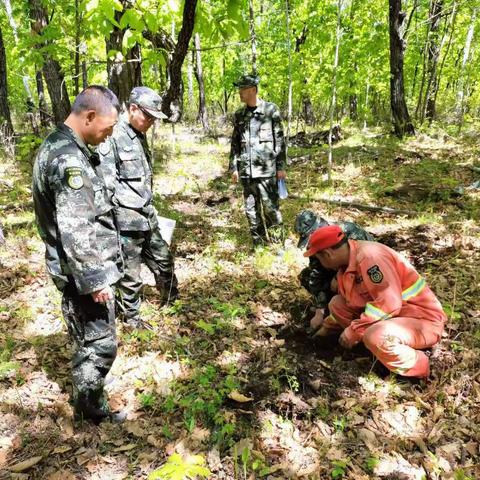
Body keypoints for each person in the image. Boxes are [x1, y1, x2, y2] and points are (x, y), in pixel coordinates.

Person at [32, 86, 122, 423]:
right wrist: (95, 280)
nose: (109, 134)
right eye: (108, 127)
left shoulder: (58, 144)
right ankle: (90, 411)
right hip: (81, 274)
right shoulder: (69, 159)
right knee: (99, 342)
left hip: (71, 269)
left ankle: (91, 392)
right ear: (89, 117)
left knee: (86, 336)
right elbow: (76, 226)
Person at [303, 225, 446, 378]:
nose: (320, 264)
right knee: (337, 304)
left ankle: (420, 367)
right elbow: (355, 302)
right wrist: (326, 327)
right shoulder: (347, 265)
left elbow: (389, 303)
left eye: (319, 258)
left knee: (376, 336)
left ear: (327, 254)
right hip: (396, 317)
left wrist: (354, 331)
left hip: (422, 320)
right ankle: (375, 351)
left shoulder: (370, 258)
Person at [98, 86, 178, 329]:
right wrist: (111, 226)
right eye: (148, 116)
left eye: (155, 118)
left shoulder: (139, 134)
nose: (151, 122)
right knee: (130, 276)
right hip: (125, 220)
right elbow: (106, 186)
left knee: (164, 260)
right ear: (133, 109)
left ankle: (173, 302)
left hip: (146, 214)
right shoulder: (112, 136)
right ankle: (132, 321)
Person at [229, 74, 286, 246]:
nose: (240, 92)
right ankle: (259, 244)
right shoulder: (239, 114)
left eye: (243, 89)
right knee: (251, 211)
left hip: (267, 171)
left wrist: (281, 167)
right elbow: (235, 143)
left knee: (271, 209)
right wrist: (234, 168)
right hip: (247, 172)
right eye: (239, 89)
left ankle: (277, 245)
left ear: (253, 90)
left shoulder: (270, 110)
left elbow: (280, 140)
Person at [294, 210, 374, 333]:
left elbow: (366, 259)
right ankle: (332, 307)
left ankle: (357, 316)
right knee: (306, 276)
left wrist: (339, 277)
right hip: (339, 272)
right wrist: (319, 311)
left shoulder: (348, 231)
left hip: (362, 275)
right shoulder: (316, 244)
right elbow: (317, 274)